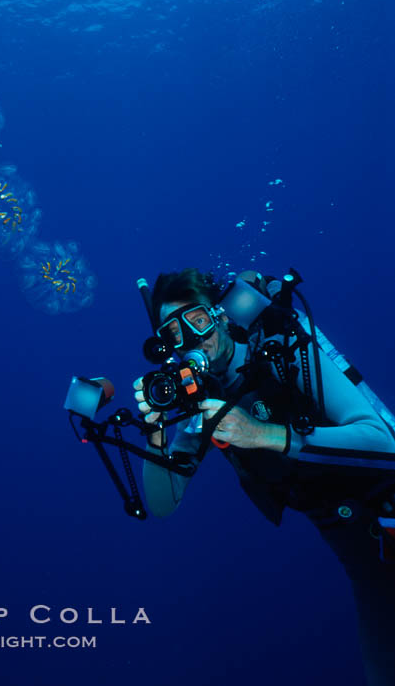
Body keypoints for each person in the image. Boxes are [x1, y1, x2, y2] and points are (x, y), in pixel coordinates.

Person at [134, 268, 395, 686]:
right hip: (364, 563)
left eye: (197, 320)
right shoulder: (204, 401)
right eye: (173, 334)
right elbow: (163, 504)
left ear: (219, 315)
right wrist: (156, 435)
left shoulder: (281, 345)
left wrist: (261, 434)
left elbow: (383, 444)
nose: (192, 338)